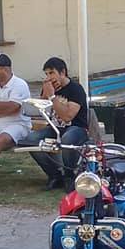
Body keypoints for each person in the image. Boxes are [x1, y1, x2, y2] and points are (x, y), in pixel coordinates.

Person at [22, 57, 90, 191]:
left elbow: (67, 117)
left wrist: (53, 97)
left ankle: (70, 176)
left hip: (76, 128)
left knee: (67, 139)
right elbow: (41, 109)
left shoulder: (76, 89)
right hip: (54, 127)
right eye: (46, 74)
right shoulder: (50, 88)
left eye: (52, 73)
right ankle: (55, 175)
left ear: (62, 72)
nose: (49, 77)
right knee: (30, 140)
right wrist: (44, 95)